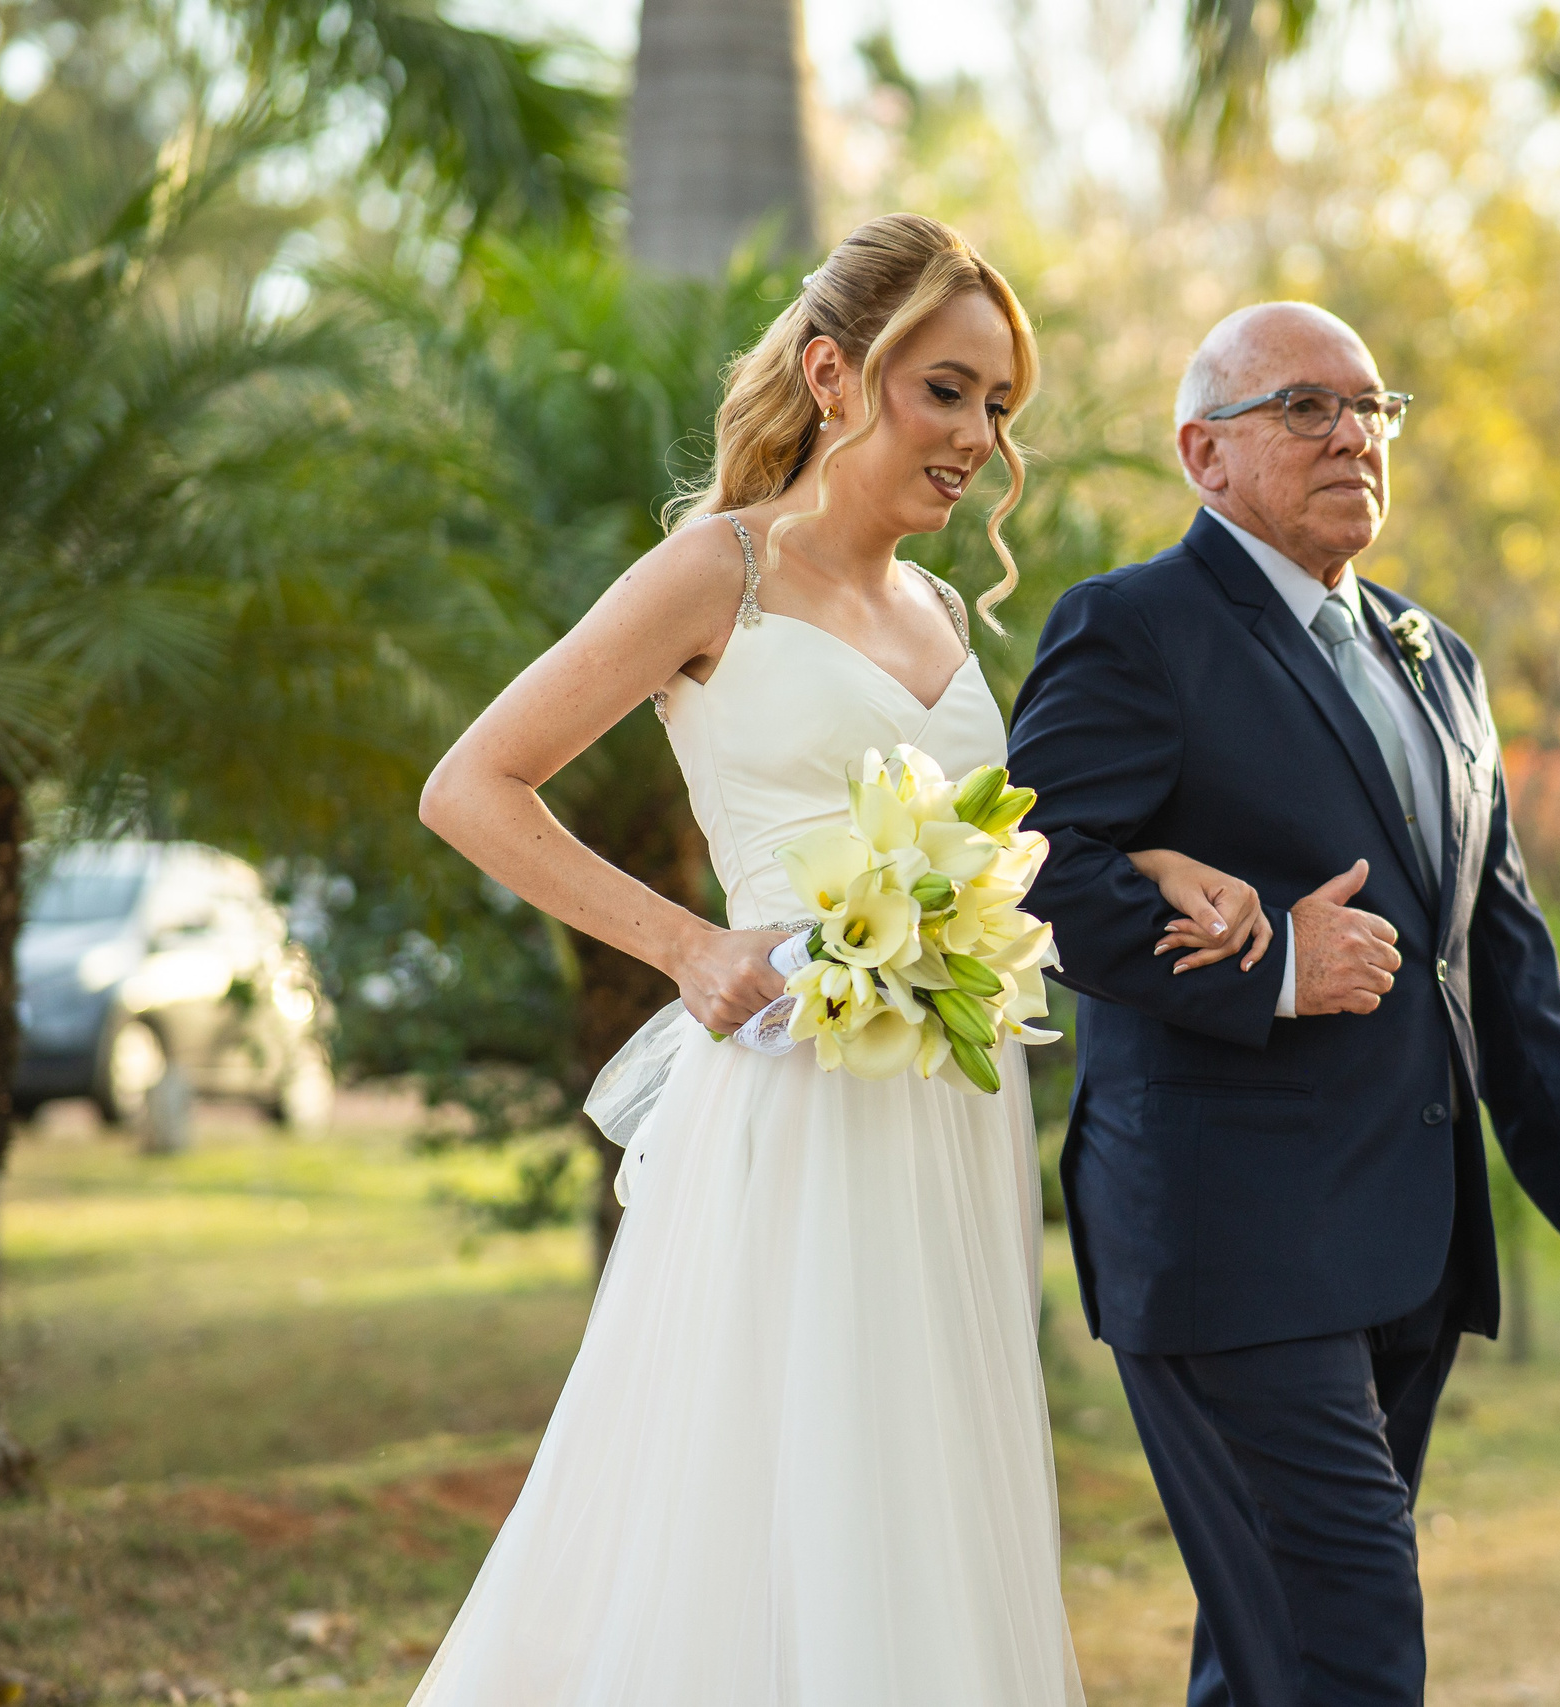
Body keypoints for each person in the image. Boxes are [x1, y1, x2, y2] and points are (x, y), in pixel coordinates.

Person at [411, 213, 1109, 1705]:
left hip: (948, 1102)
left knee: (923, 1473)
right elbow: (470, 787)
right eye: (946, 390)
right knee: (776, 1471)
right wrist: (686, 946)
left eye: (998, 406)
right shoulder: (713, 572)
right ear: (834, 374)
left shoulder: (939, 608)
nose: (978, 438)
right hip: (794, 1097)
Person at [1007, 301, 1560, 1705]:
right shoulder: (1135, 628)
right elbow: (1033, 875)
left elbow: (1498, 943)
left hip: (1409, 1239)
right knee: (1347, 1642)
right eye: (1306, 407)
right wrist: (1282, 969)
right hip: (1229, 1238)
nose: (1354, 434)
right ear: (1204, 453)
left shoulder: (1437, 656)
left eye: (1373, 407)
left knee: (1277, 1655)